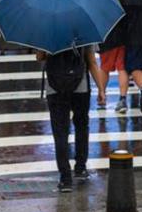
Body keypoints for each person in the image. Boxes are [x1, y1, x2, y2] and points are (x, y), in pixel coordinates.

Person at [37, 45, 100, 193]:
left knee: (60, 132)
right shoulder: (84, 27)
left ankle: (65, 178)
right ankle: (81, 168)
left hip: (55, 86)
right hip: (80, 85)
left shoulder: (47, 28)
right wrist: (101, 89)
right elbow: (91, 62)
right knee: (81, 126)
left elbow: (40, 57)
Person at [98, 15, 129, 112]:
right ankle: (123, 98)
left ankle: (101, 96)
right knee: (122, 68)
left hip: (107, 35)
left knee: (104, 68)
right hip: (124, 34)